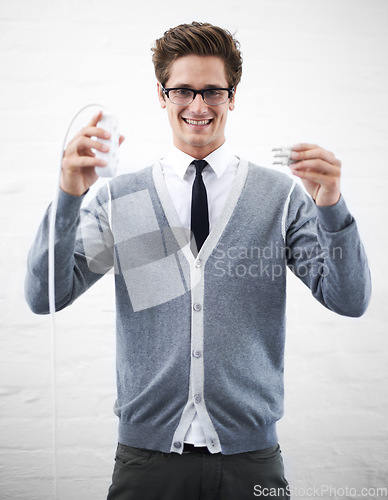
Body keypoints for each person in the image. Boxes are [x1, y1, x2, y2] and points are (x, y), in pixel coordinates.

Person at [25, 21, 371, 500]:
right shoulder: (123, 198)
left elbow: (350, 300)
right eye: (183, 91)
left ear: (233, 97)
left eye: (213, 91)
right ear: (162, 96)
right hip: (145, 462)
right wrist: (68, 197)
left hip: (251, 461)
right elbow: (46, 296)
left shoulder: (279, 197)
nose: (198, 106)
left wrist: (331, 206)